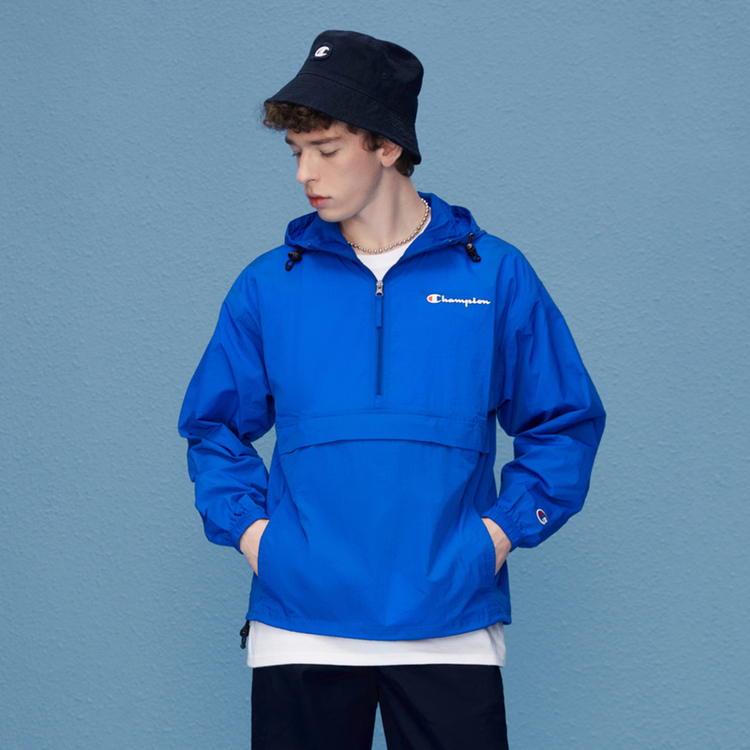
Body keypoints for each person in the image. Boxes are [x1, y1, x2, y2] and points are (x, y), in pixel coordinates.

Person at [178, 29, 605, 750]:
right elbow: (212, 428)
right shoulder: (268, 284)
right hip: (299, 624)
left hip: (449, 620)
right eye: (296, 152)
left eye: (326, 149)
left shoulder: (494, 275)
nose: (304, 172)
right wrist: (256, 537)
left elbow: (563, 421)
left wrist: (497, 536)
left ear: (386, 145)